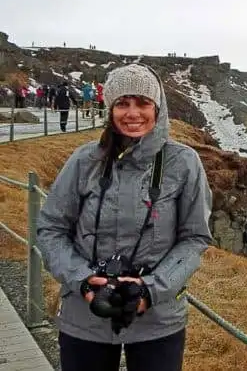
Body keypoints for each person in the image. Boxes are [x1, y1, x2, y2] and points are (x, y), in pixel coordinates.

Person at [35, 63, 213, 371]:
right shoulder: (84, 160)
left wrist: (150, 290)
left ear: (158, 108)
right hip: (83, 317)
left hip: (158, 320)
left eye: (143, 103)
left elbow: (195, 237)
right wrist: (85, 282)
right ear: (110, 108)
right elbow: (51, 229)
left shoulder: (184, 163)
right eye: (122, 103)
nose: (133, 113)